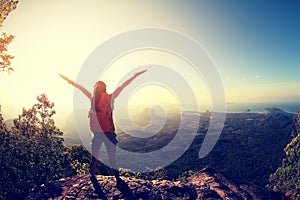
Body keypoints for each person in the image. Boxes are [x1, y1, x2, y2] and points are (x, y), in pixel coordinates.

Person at [59, 69, 147, 184]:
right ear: (105, 89)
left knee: (94, 157)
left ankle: (92, 176)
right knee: (112, 158)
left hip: (97, 134)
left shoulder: (92, 99)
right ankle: (117, 178)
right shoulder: (110, 97)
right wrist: (135, 75)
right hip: (109, 133)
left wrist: (69, 80)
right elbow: (123, 86)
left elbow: (80, 88)